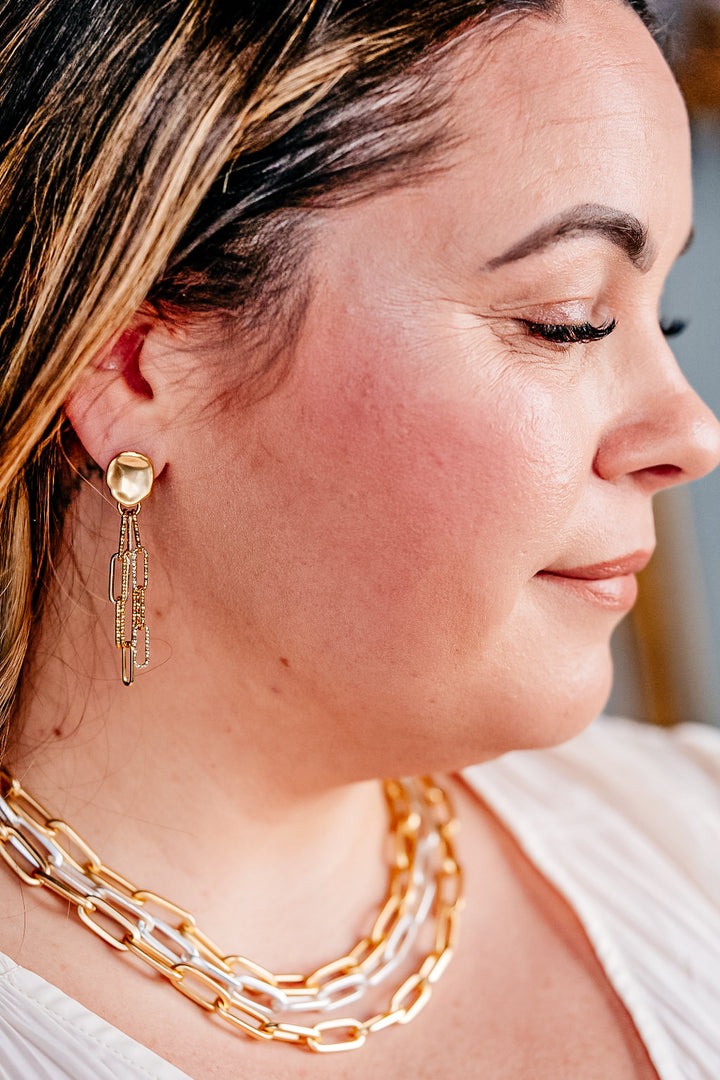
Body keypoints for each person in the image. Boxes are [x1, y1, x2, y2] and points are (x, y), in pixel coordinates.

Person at [0, 0, 719, 1077]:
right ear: (136, 366)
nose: (693, 434)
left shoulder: (698, 832)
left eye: (664, 323)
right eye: (567, 320)